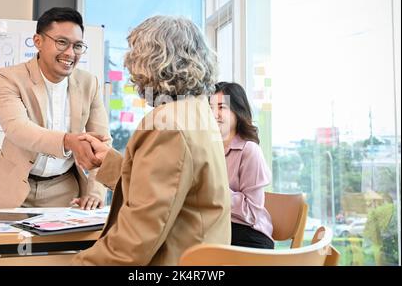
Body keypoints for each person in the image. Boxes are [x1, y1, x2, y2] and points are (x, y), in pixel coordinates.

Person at [71, 15, 231, 265]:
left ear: (149, 63)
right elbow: (176, 190)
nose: (131, 70)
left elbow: (134, 242)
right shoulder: (198, 112)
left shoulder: (167, 124)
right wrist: (110, 162)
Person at [0, 7, 111, 209]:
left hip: (65, 190)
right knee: (5, 241)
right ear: (38, 41)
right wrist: (68, 141)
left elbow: (102, 142)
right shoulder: (9, 77)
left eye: (77, 46)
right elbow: (17, 129)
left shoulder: (89, 83)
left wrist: (95, 191)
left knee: (63, 242)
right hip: (14, 186)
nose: (70, 53)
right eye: (61, 42)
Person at [209, 82, 274, 249]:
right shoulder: (208, 150)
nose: (214, 114)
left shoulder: (249, 150)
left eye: (221, 107)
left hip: (250, 235)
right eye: (210, 108)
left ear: (237, 112)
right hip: (221, 229)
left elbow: (252, 214)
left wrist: (216, 190)